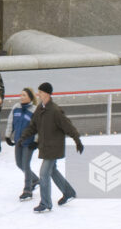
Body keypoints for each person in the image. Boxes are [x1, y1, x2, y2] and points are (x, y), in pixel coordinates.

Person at [20, 83, 83, 214]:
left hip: (54, 147)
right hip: (45, 147)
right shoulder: (40, 109)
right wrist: (23, 137)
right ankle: (68, 192)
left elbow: (68, 127)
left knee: (44, 173)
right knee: (52, 170)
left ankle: (46, 203)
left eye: (41, 92)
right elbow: (33, 126)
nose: (39, 94)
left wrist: (77, 140)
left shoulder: (55, 111)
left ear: (47, 94)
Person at [5, 87, 39, 201]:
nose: (21, 97)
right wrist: (8, 135)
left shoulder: (35, 110)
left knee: (25, 164)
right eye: (21, 95)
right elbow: (11, 122)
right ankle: (34, 179)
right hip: (18, 141)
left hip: (29, 143)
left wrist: (36, 141)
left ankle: (27, 190)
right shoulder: (16, 108)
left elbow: (39, 127)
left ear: (30, 97)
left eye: (24, 95)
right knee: (19, 164)